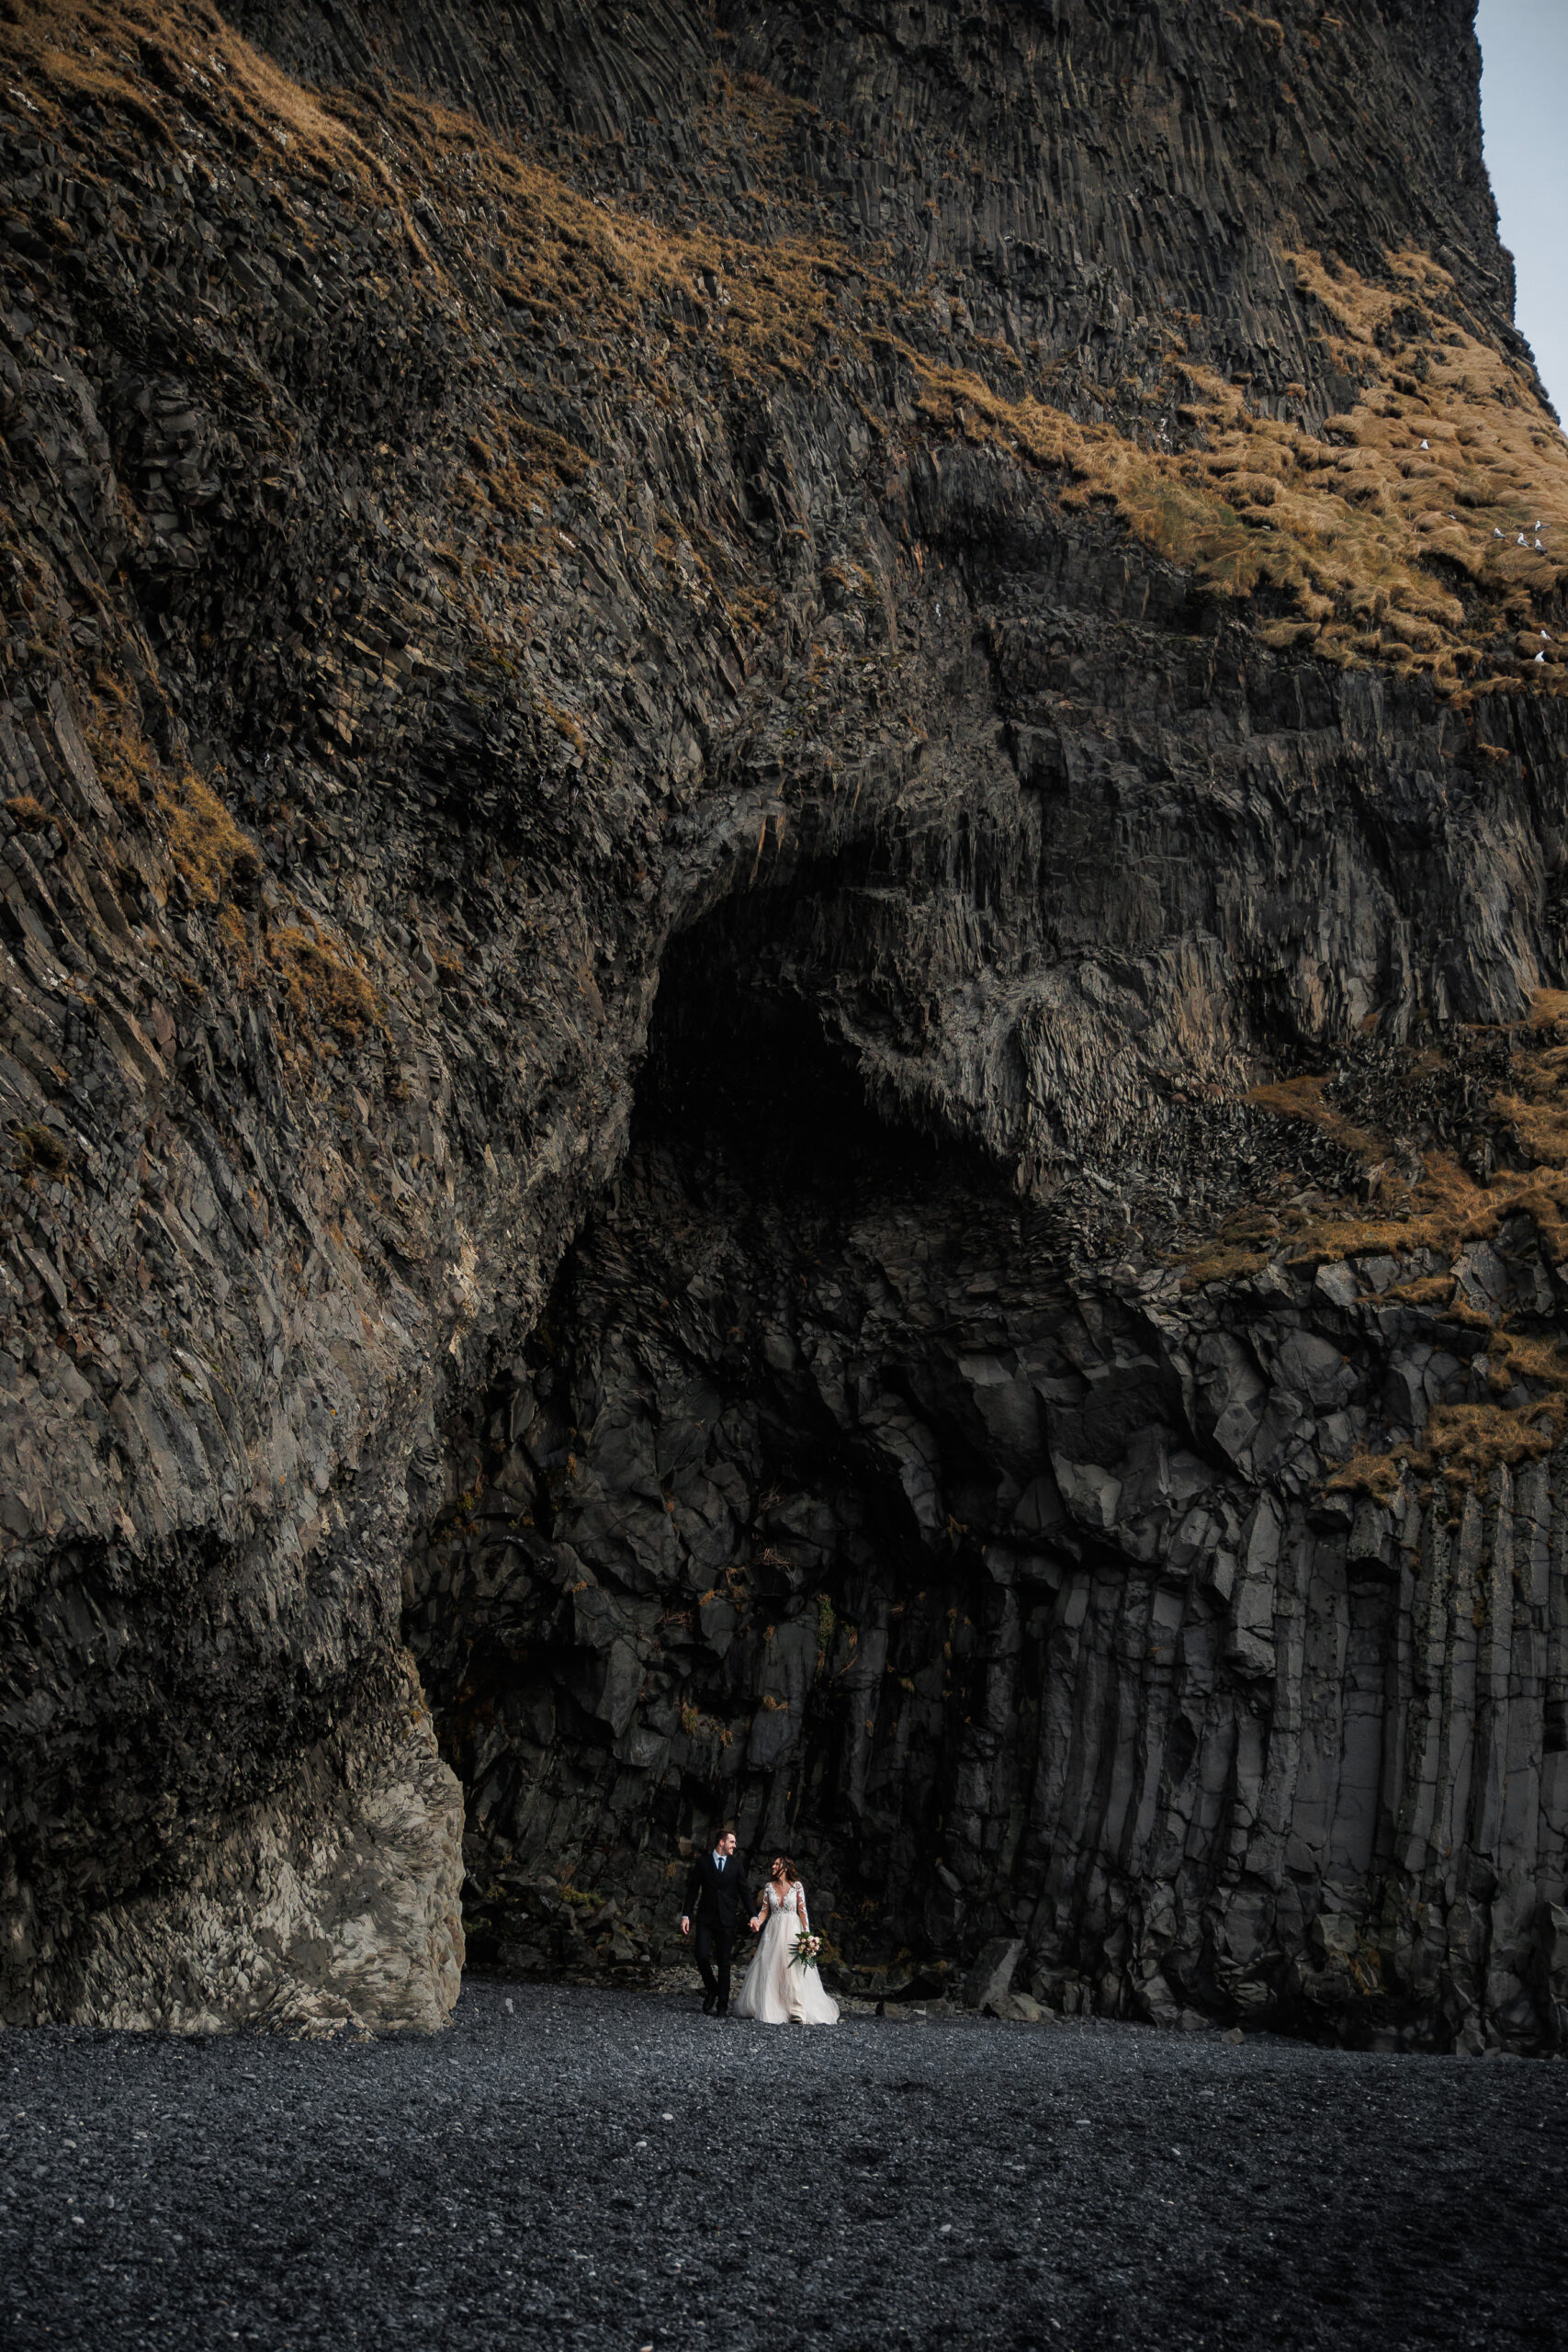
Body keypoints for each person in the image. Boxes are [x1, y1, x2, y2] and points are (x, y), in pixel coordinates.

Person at [732, 1853, 840, 2025]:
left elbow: (803, 1913)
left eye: (776, 1864)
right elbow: (765, 1910)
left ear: (785, 1867)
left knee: (792, 1968)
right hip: (774, 1930)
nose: (773, 1867)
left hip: (792, 1930)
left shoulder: (796, 1886)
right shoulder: (769, 1887)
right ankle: (773, 2006)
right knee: (771, 1966)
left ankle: (796, 2010)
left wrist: (807, 1937)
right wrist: (757, 1922)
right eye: (773, 1864)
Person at [679, 1826, 754, 2015]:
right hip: (706, 1918)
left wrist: (753, 1915)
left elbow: (744, 1892)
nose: (735, 1846)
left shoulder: (736, 1865)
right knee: (701, 1955)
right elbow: (693, 1889)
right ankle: (713, 1989)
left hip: (727, 1919)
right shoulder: (703, 1862)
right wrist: (686, 1915)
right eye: (732, 1842)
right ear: (721, 1842)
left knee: (724, 1963)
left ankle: (722, 2005)